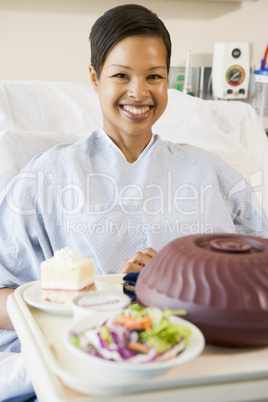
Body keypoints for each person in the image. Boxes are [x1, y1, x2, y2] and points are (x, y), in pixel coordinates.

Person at [0, 4, 267, 354]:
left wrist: (179, 277)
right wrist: (106, 293)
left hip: (206, 356)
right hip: (86, 355)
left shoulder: (211, 172)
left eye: (154, 76)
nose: (139, 93)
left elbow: (259, 273)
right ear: (95, 78)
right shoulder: (46, 176)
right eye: (122, 76)